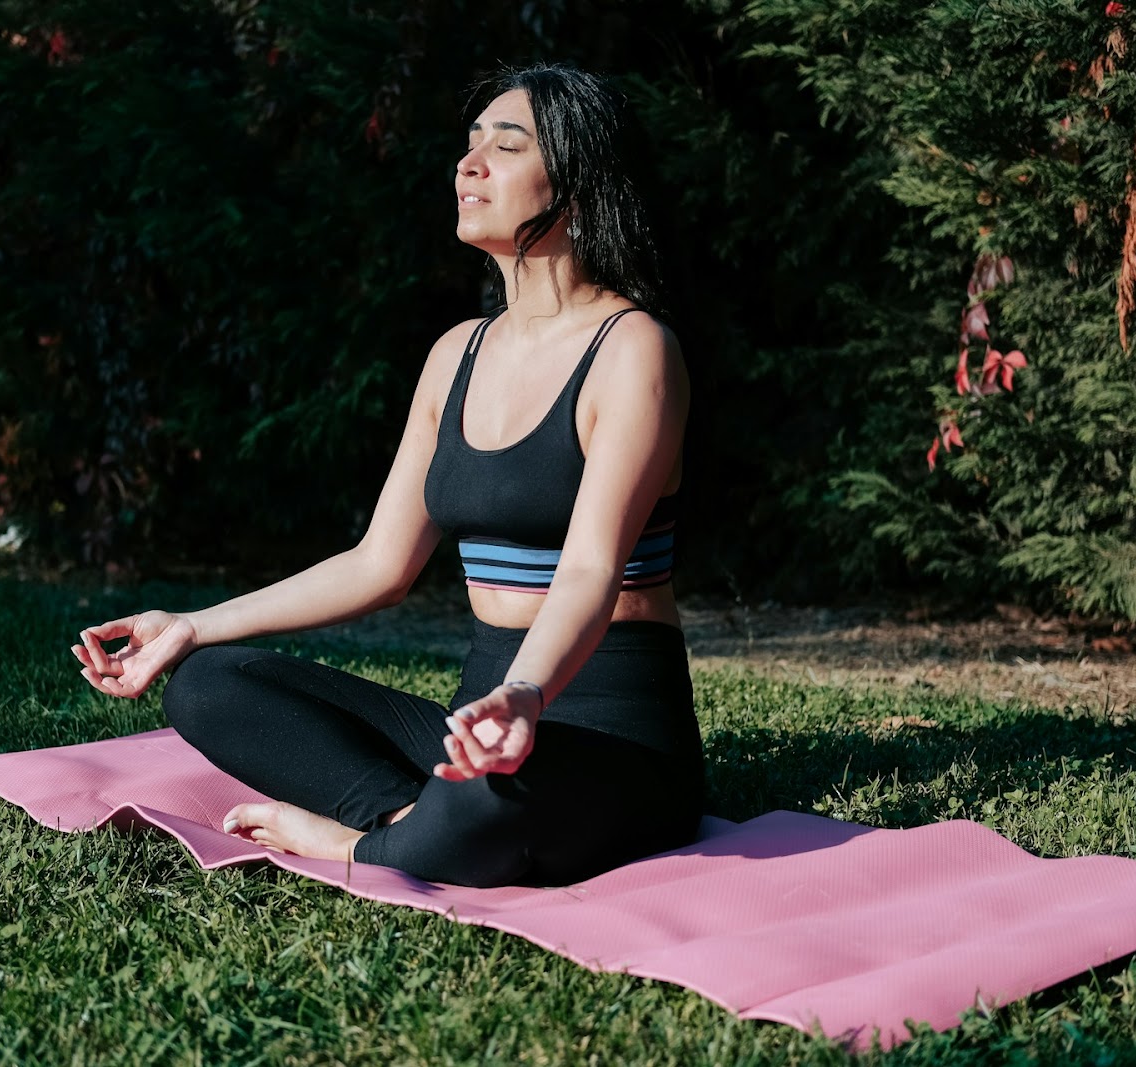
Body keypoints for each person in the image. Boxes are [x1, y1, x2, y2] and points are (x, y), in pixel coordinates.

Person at [71, 63, 703, 888]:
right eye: (468, 144)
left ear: (580, 184)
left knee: (489, 805)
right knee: (206, 685)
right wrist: (193, 623)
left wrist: (524, 697)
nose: (468, 165)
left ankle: (356, 842)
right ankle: (410, 820)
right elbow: (379, 563)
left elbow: (587, 569)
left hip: (610, 737)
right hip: (477, 725)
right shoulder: (456, 356)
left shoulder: (632, 350)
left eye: (504, 147)